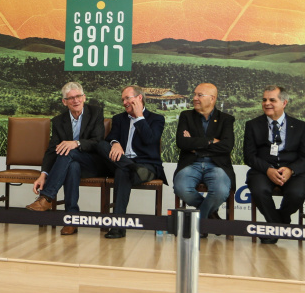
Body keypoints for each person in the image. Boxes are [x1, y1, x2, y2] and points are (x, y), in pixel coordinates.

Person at [25, 82, 107, 235]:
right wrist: (44, 174)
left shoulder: (96, 113)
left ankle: (46, 198)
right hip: (71, 164)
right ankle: (71, 218)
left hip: (93, 163)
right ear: (64, 102)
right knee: (72, 165)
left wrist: (75, 143)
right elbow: (52, 150)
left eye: (78, 97)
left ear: (84, 97)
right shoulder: (58, 121)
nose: (75, 101)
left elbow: (98, 141)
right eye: (71, 98)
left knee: (67, 151)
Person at [243, 86, 305, 244]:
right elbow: (249, 156)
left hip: (292, 171)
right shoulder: (252, 125)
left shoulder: (300, 126)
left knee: (297, 193)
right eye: (264, 100)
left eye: (272, 100)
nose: (267, 103)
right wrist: (268, 170)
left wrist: (291, 170)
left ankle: (276, 223)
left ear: (284, 102)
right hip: (262, 170)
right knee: (259, 190)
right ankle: (280, 225)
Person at [97, 85, 166, 239]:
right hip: (124, 163)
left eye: (127, 98)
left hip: (146, 166)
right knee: (102, 145)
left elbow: (150, 140)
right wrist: (115, 143)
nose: (124, 102)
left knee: (122, 172)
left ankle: (117, 227)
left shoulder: (157, 119)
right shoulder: (119, 119)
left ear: (139, 98)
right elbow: (110, 138)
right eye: (123, 99)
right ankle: (131, 166)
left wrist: (139, 116)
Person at [173, 83, 236, 236]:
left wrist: (196, 143)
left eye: (199, 95)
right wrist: (211, 141)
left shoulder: (226, 119)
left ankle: (198, 224)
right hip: (191, 163)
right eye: (194, 94)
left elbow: (227, 146)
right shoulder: (186, 116)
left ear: (212, 99)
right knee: (181, 187)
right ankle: (212, 219)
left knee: (220, 191)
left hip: (216, 164)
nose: (195, 98)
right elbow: (182, 143)